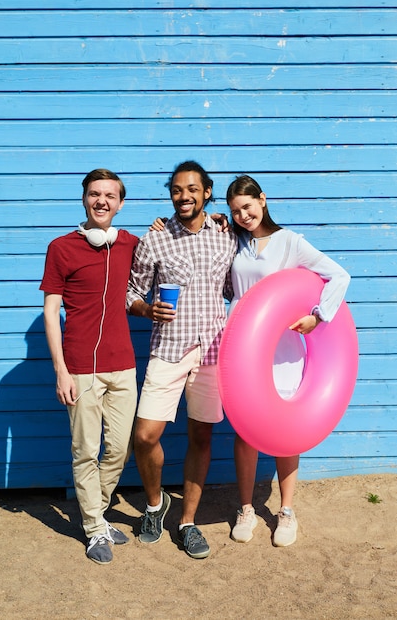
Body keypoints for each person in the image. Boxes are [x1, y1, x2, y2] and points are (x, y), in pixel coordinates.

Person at [225, 174, 350, 547]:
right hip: (243, 355)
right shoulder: (237, 243)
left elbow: (338, 276)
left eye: (247, 206)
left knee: (286, 432)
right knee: (244, 434)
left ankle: (287, 511)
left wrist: (318, 316)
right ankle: (246, 508)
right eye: (235, 211)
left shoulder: (290, 242)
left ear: (262, 200)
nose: (243, 215)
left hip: (284, 353)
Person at [126, 160, 237, 559]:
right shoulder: (154, 238)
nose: (183, 196)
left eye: (192, 189)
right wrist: (145, 310)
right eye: (176, 189)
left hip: (211, 351)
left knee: (201, 436)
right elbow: (131, 293)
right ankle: (156, 506)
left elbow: (235, 287)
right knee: (144, 436)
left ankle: (188, 522)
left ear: (207, 192)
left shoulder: (227, 236)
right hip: (169, 348)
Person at [40, 168, 139, 564]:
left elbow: (174, 238)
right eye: (95, 194)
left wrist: (216, 219)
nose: (102, 201)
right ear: (84, 198)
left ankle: (95, 511)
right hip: (80, 367)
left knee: (119, 448)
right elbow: (50, 314)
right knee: (86, 451)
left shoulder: (130, 243)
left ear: (120, 203)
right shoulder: (61, 247)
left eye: (110, 195)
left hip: (123, 365)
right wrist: (61, 370)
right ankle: (95, 527)